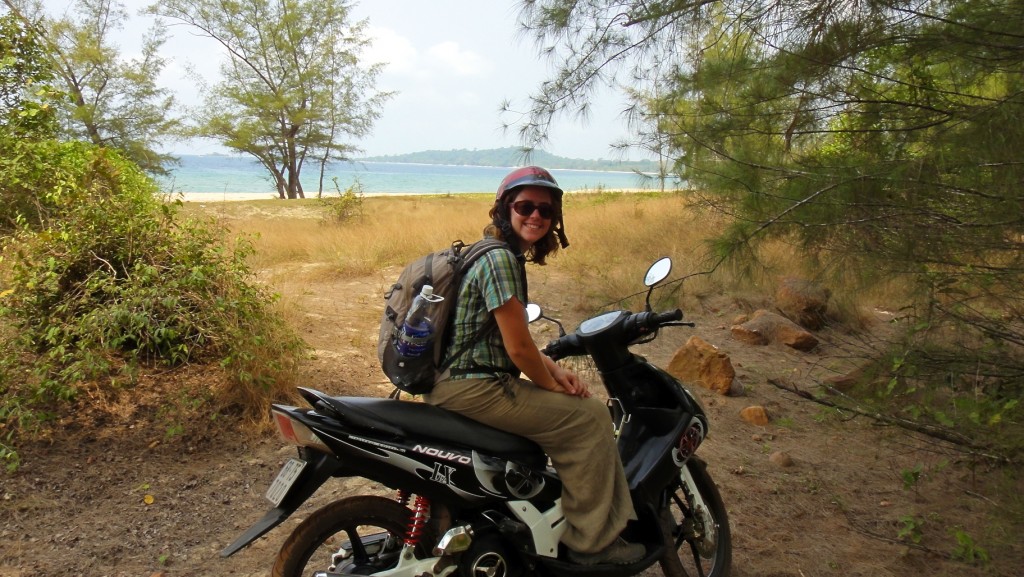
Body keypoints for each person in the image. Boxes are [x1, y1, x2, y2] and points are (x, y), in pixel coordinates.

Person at [425, 166, 645, 565]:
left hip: (457, 381)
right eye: (525, 206)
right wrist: (552, 385)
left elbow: (512, 342)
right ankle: (593, 543)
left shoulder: (488, 253)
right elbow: (519, 352)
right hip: (475, 387)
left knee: (575, 408)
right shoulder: (501, 261)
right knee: (591, 417)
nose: (536, 217)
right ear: (505, 209)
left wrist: (554, 370)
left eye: (546, 211)